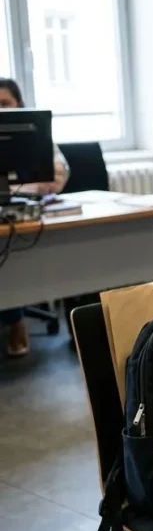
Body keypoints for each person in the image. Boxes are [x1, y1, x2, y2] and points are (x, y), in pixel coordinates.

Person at [0, 78, 70, 357]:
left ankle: (15, 320)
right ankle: (14, 319)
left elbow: (57, 177)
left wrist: (11, 189)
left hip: (28, 221)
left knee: (13, 256)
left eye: (5, 104)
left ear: (19, 106)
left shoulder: (35, 135)